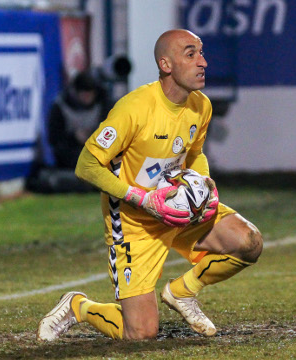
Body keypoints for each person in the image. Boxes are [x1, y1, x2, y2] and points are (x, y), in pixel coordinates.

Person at [36, 29, 263, 340]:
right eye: (191, 54)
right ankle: (79, 307)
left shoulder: (201, 106)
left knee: (249, 242)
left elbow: (194, 154)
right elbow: (86, 165)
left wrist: (206, 186)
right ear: (165, 64)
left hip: (180, 208)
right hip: (135, 222)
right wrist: (141, 199)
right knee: (140, 334)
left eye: (202, 53)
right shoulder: (134, 108)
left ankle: (182, 293)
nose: (203, 62)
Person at [25, 71, 109, 193]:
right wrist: (74, 137)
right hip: (71, 155)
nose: (87, 98)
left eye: (90, 95)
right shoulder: (61, 106)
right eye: (84, 95)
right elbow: (54, 140)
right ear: (76, 92)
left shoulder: (103, 104)